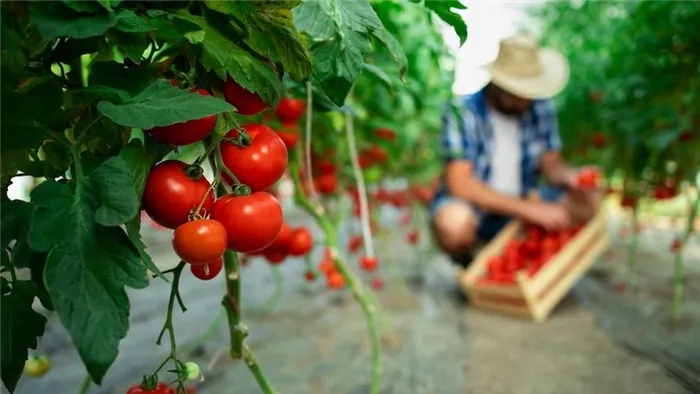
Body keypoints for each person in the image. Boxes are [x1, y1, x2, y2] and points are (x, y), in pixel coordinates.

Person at [430, 35, 602, 269]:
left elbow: (552, 164)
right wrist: (529, 209)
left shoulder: (540, 108)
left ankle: (537, 258)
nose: (525, 100)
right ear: (498, 84)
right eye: (517, 93)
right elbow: (459, 183)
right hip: (479, 210)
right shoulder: (462, 112)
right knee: (453, 223)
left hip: (523, 203)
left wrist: (570, 176)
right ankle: (469, 261)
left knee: (590, 199)